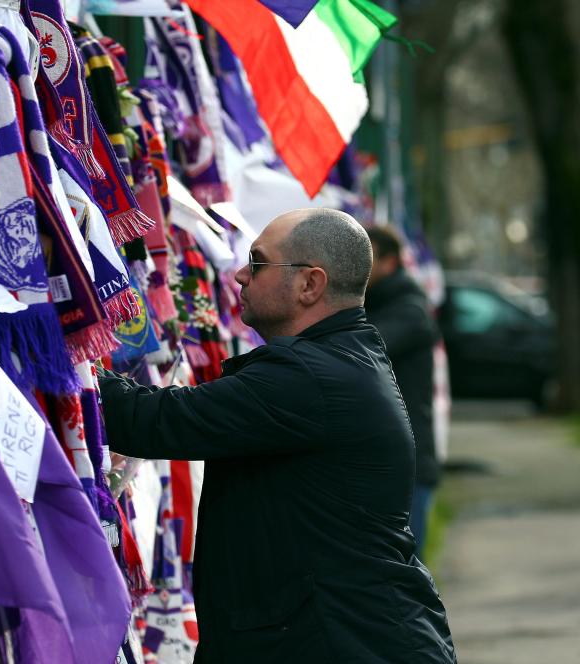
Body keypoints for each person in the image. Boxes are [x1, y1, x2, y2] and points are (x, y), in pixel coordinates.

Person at [98, 209, 456, 663]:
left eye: (258, 262)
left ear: (310, 284)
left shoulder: (309, 376)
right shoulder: (340, 357)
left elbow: (152, 421)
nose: (241, 275)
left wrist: (68, 357)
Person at [365, 226, 441, 559]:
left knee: (404, 580)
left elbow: (363, 351)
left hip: (406, 468)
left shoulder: (410, 310)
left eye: (366, 257)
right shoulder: (383, 304)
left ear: (390, 261)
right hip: (387, 463)